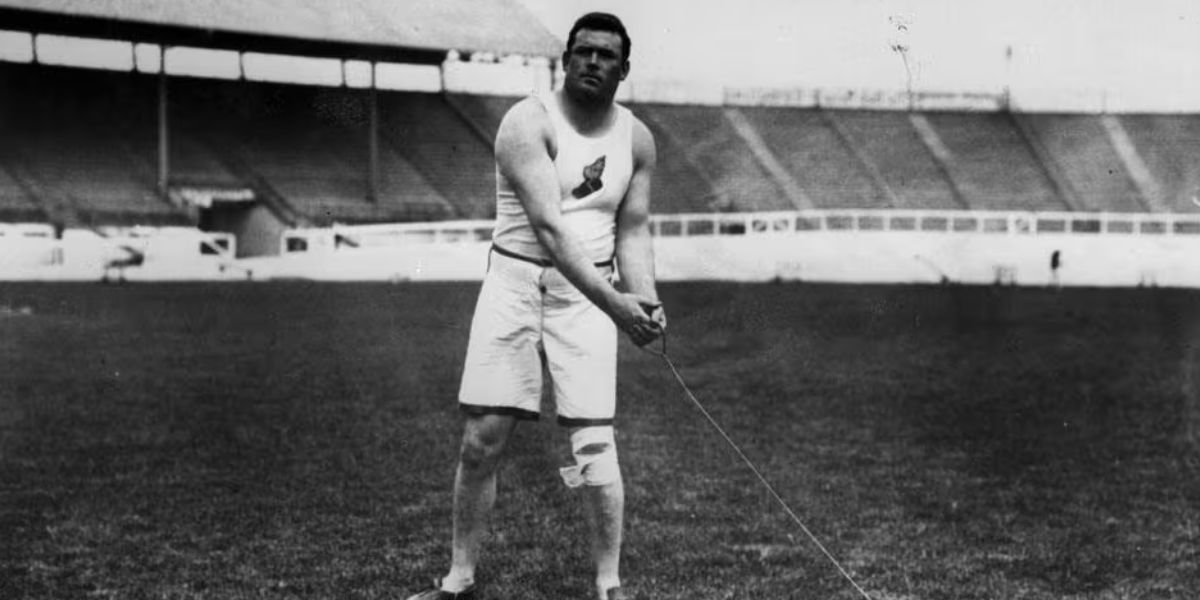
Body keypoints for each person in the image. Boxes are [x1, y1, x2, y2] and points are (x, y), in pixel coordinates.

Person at [405, 12, 665, 600]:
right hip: (516, 285)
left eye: (605, 55)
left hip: (587, 298)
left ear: (624, 69)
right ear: (566, 59)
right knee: (483, 439)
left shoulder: (638, 139)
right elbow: (549, 228)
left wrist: (643, 297)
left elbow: (634, 228)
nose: (592, 62)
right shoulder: (526, 122)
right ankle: (459, 580)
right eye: (582, 52)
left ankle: (608, 584)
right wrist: (617, 306)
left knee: (596, 449)